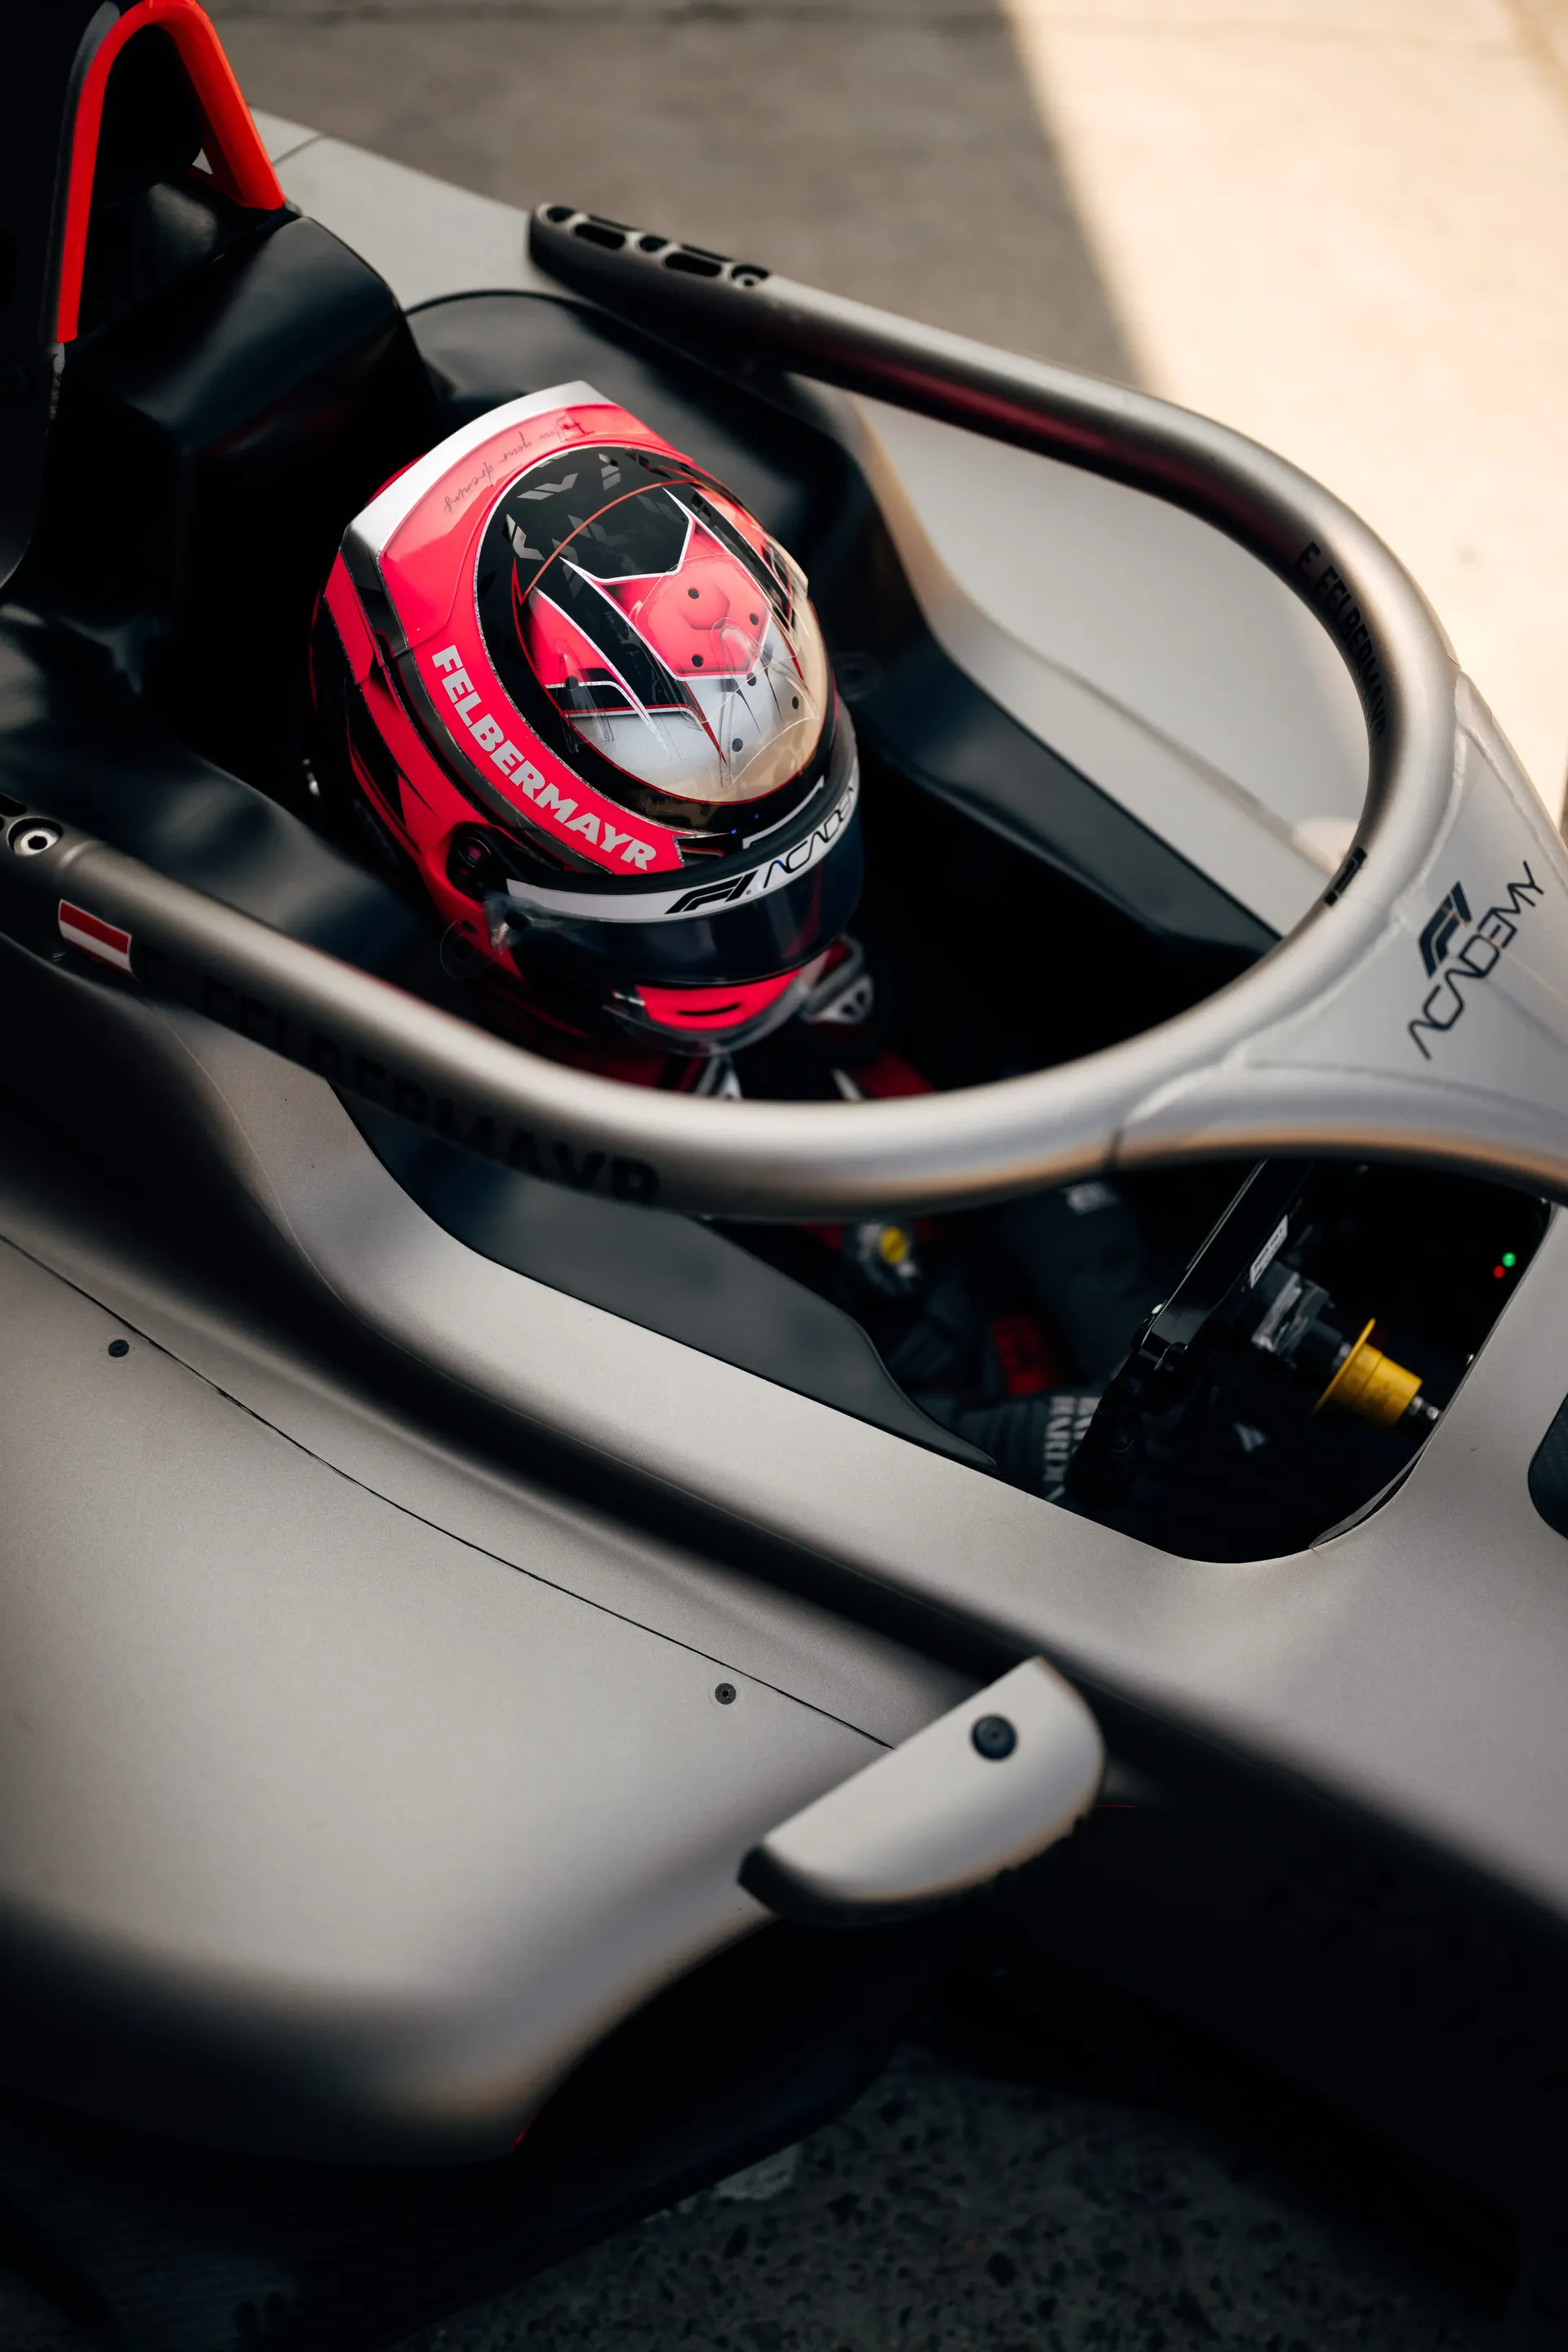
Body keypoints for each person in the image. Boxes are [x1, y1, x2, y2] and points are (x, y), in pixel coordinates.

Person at [310, 386, 1158, 1494]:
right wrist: (1015, 1455)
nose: (776, 949)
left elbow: (994, 1065)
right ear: (479, 867)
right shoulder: (481, 1141)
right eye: (705, 919)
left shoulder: (801, 887)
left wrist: (1130, 1327)